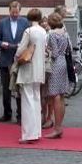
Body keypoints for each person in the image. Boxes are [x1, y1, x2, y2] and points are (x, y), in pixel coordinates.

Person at [15, 8, 47, 143]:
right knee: (36, 99)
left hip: (28, 68)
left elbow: (20, 50)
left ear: (28, 18)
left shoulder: (29, 31)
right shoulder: (43, 31)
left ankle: (29, 134)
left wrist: (16, 56)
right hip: (40, 69)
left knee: (27, 101)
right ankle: (37, 131)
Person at [0, 1, 27, 123]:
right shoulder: (2, 23)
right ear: (9, 11)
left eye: (17, 12)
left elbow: (28, 40)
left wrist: (22, 46)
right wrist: (2, 44)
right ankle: (7, 113)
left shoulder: (24, 22)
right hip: (6, 59)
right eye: (13, 12)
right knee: (6, 89)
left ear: (20, 11)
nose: (14, 15)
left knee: (19, 88)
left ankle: (20, 115)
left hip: (19, 61)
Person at [44, 12, 71, 138]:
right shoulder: (65, 33)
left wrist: (46, 49)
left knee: (55, 95)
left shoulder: (52, 34)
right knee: (61, 95)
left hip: (55, 64)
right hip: (63, 62)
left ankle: (57, 128)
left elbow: (54, 53)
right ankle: (60, 126)